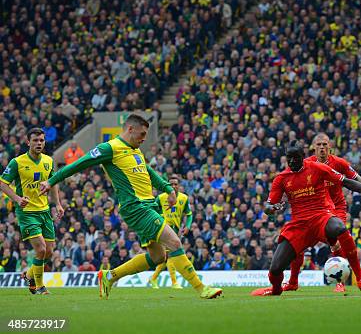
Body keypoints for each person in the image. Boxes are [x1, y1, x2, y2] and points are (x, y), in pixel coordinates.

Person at [40, 114, 222, 299]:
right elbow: (77, 164)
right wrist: (51, 181)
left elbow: (149, 172)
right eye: (142, 134)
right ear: (130, 129)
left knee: (158, 257)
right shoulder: (109, 148)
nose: (144, 138)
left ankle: (109, 276)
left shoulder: (136, 150)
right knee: (174, 242)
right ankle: (201, 288)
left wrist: (168, 188)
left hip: (149, 206)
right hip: (136, 207)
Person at [251, 140, 361, 296]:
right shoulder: (281, 178)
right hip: (299, 225)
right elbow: (268, 208)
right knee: (275, 269)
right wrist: (272, 208)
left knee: (340, 228)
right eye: (289, 158)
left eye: (296, 157)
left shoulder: (318, 168)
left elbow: (348, 182)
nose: (292, 161)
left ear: (303, 157)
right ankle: (277, 289)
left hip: (321, 217)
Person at [283, 133, 361, 293]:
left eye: (325, 144)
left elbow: (358, 179)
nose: (322, 147)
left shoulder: (340, 163)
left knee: (340, 236)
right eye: (318, 145)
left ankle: (341, 282)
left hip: (336, 207)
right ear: (313, 147)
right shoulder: (305, 164)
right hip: (316, 209)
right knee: (297, 243)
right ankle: (293, 281)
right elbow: (288, 179)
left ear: (330, 147)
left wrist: (354, 192)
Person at [0, 127, 64, 295]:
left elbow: (53, 182)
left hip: (44, 211)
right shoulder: (17, 162)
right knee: (41, 250)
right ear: (28, 142)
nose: (39, 143)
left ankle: (28, 275)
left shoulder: (48, 161)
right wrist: (17, 199)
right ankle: (40, 286)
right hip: (27, 212)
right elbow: (2, 183)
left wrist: (57, 204)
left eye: (41, 140)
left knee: (49, 251)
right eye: (35, 140)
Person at [149, 175, 193, 289]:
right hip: (163, 228)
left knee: (166, 256)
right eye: (171, 184)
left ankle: (153, 279)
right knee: (171, 254)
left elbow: (189, 214)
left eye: (175, 184)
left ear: (179, 186)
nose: (173, 186)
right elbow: (152, 210)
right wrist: (160, 217)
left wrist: (187, 226)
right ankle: (174, 282)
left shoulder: (184, 198)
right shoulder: (161, 197)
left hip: (176, 229)